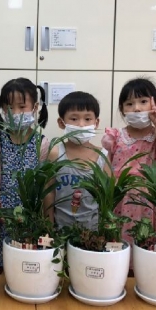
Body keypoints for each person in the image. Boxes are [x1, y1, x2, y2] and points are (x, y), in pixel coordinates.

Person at [101, 77, 156, 243]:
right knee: (119, 240)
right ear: (122, 109)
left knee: (147, 241)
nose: (136, 108)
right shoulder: (115, 136)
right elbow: (107, 168)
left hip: (150, 199)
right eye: (129, 103)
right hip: (121, 198)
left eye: (143, 101)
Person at [0, 78, 49, 269]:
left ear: (35, 107)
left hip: (31, 214)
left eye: (22, 107)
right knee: (5, 262)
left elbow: (45, 185)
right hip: (4, 214)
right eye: (10, 107)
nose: (15, 113)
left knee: (28, 262)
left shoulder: (42, 143)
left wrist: (45, 219)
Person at [50, 91, 109, 231]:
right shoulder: (55, 153)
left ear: (96, 122)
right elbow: (48, 192)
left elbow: (109, 196)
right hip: (60, 229)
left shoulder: (103, 155)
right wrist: (48, 225)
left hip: (93, 230)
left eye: (87, 119)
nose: (81, 124)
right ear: (61, 123)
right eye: (74, 119)